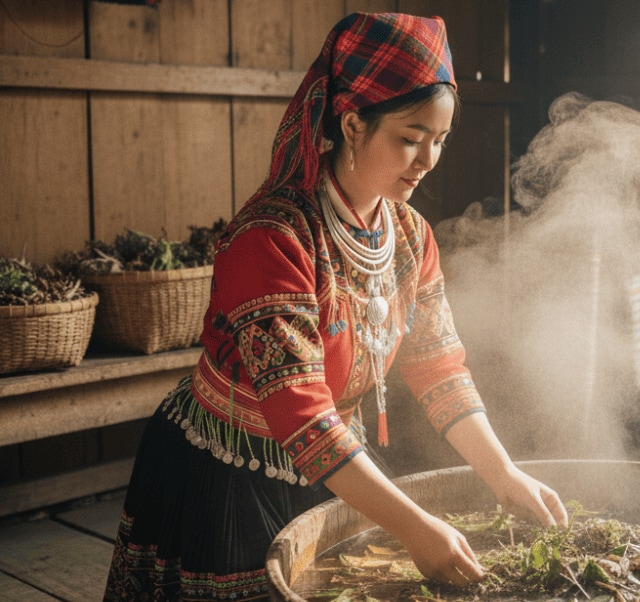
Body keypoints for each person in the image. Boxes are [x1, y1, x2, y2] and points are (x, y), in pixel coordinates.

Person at [103, 12, 568, 601]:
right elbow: (301, 413)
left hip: (333, 463)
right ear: (352, 124)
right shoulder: (272, 239)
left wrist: (503, 474)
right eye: (410, 138)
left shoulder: (410, 236)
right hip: (225, 475)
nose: (428, 160)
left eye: (441, 140)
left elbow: (438, 365)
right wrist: (416, 527)